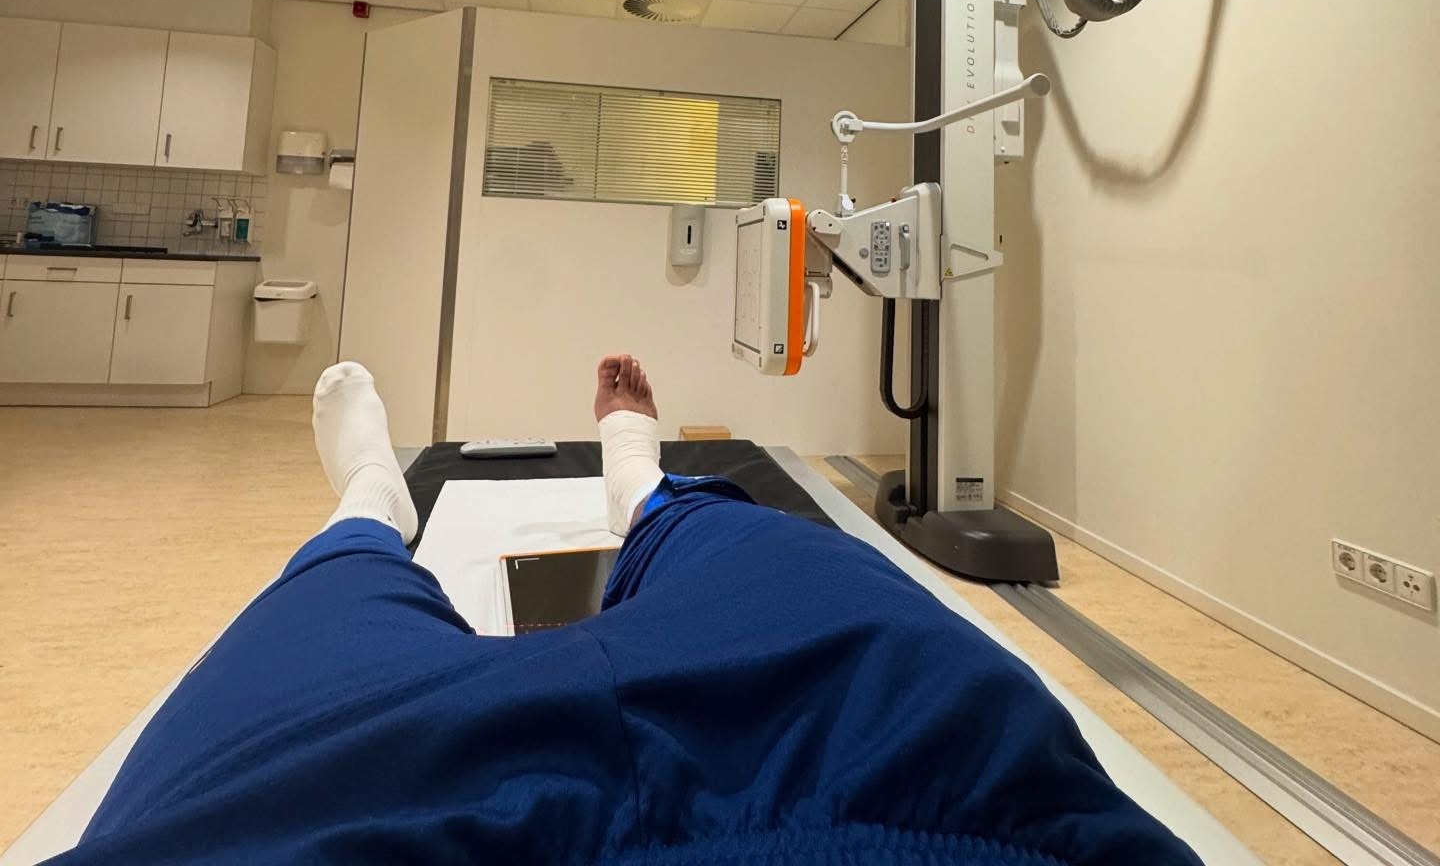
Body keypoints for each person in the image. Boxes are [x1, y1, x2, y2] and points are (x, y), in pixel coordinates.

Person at [51, 356, 1202, 866]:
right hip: (928, 791)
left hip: (357, 823)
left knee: (311, 623)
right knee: (786, 559)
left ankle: (367, 507)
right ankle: (644, 493)